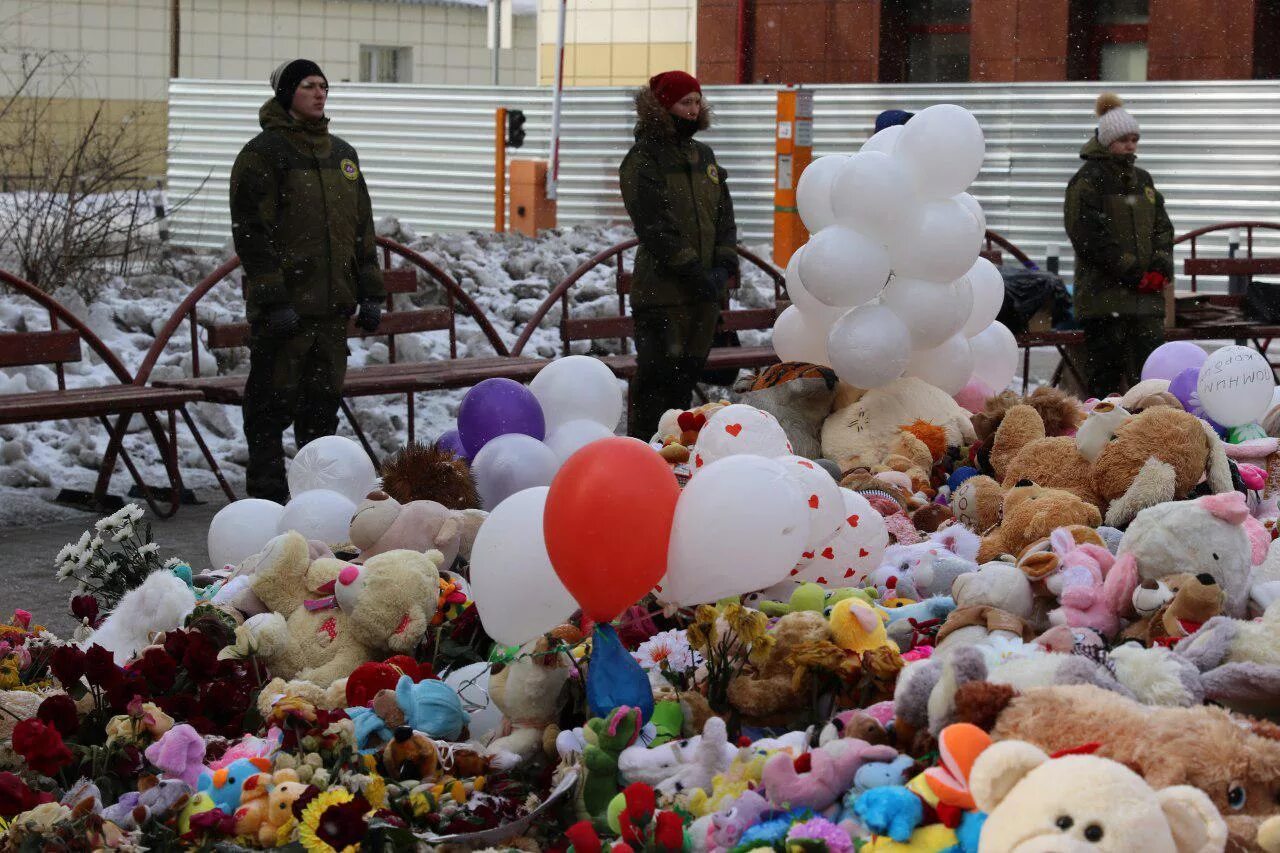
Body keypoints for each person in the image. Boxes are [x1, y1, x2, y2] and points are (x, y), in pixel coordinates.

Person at [230, 59, 384, 502]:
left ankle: (318, 502)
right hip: (287, 314)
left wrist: (371, 292)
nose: (319, 94)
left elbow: (362, 228)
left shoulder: (342, 156)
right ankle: (266, 502)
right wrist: (274, 299)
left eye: (323, 86)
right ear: (286, 94)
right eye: (307, 86)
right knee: (269, 411)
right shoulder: (264, 155)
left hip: (331, 312)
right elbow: (251, 234)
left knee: (321, 415)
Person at [619, 70, 738, 439]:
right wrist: (693, 271)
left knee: (684, 380)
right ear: (662, 106)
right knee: (656, 383)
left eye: (697, 101)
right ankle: (645, 451)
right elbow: (654, 226)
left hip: (702, 297)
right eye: (685, 102)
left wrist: (723, 265)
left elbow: (723, 215)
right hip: (663, 296)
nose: (693, 109)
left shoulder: (704, 156)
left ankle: (678, 453)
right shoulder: (644, 159)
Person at [1065, 93, 1173, 398]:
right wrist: (1133, 272)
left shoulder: (1144, 180)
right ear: (1107, 140)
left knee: (1152, 386)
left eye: (1135, 139)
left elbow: (1162, 228)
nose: (1131, 146)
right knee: (1105, 389)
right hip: (1105, 303)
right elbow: (1088, 237)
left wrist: (1159, 267)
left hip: (1146, 306)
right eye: (1124, 139)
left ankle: (1149, 439)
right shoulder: (1086, 182)